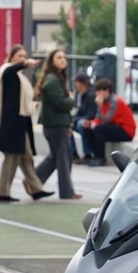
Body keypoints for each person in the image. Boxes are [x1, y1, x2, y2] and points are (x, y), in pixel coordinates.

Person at [0, 45, 45, 202]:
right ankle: (3, 192)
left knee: (26, 157)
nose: (22, 59)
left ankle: (36, 189)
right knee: (11, 159)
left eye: (24, 56)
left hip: (21, 123)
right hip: (12, 124)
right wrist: (25, 64)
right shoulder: (7, 70)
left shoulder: (20, 76)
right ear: (12, 57)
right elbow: (8, 72)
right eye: (19, 56)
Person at [33, 49, 81, 201]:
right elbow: (60, 103)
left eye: (64, 57)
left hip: (57, 124)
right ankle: (66, 192)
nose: (63, 60)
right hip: (55, 125)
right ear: (52, 61)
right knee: (63, 157)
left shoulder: (56, 78)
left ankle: (33, 181)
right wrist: (71, 100)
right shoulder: (52, 80)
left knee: (56, 157)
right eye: (59, 57)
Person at [78, 76, 137, 165]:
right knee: (87, 128)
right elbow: (99, 118)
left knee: (99, 129)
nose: (97, 94)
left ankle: (100, 158)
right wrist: (90, 123)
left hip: (125, 131)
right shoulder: (104, 101)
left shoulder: (115, 102)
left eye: (99, 91)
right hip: (114, 126)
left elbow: (107, 119)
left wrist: (100, 106)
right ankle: (91, 154)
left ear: (107, 91)